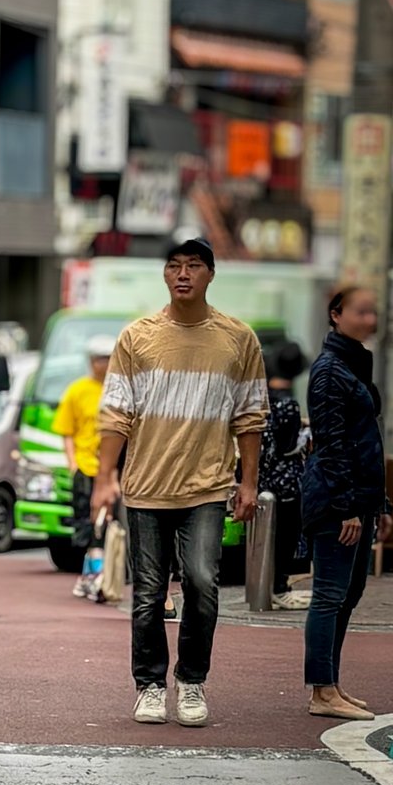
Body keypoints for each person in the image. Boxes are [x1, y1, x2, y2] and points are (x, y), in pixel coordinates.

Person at [93, 237, 267, 729]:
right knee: (148, 592)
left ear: (210, 274)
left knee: (201, 583)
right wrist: (105, 479)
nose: (183, 274)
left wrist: (248, 483)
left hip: (208, 487)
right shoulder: (137, 337)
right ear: (165, 276)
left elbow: (250, 417)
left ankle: (191, 681)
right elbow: (116, 415)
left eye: (193, 265)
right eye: (174, 266)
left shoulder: (238, 339)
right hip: (146, 486)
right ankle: (149, 685)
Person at [300, 286, 391, 720]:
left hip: (361, 499)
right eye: (360, 312)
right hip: (338, 502)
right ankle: (321, 691)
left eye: (373, 312)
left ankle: (331, 684)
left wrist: (380, 504)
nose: (369, 319)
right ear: (336, 315)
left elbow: (367, 442)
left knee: (349, 595)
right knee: (330, 595)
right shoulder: (329, 371)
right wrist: (347, 507)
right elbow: (332, 444)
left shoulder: (354, 363)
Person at [54, 335, 114, 601]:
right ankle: (93, 576)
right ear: (91, 362)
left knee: (107, 524)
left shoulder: (119, 389)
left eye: (109, 358)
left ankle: (94, 576)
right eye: (100, 358)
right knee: (87, 524)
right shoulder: (77, 390)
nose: (105, 364)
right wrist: (72, 463)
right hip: (86, 468)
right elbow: (67, 430)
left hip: (112, 470)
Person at [259, 340, 310, 610]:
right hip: (286, 478)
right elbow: (288, 444)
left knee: (268, 535)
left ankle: (267, 586)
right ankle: (279, 585)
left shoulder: (264, 398)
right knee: (286, 535)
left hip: (265, 475)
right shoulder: (288, 404)